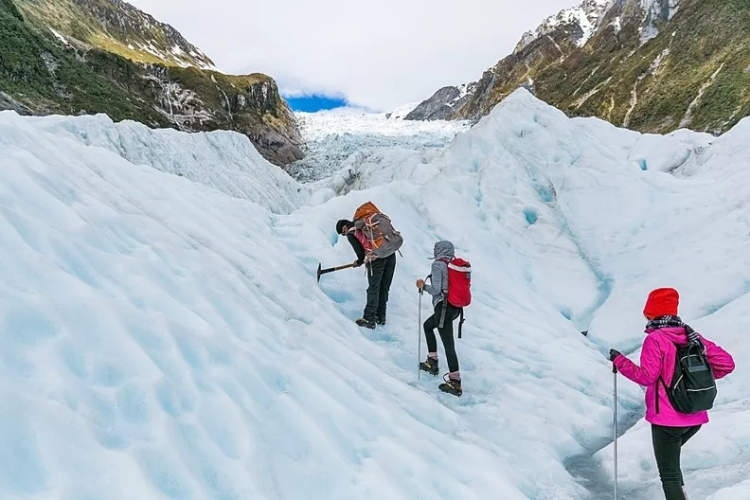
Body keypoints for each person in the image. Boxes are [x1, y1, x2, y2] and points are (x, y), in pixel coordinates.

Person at [609, 288, 735, 500]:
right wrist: (694, 381)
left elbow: (646, 377)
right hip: (694, 417)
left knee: (669, 475)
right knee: (672, 467)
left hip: (667, 420)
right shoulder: (691, 335)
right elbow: (726, 363)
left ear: (651, 313)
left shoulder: (656, 339)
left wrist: (620, 362)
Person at [416, 240, 463, 396]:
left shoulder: (438, 265)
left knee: (449, 346)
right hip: (455, 308)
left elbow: (436, 290)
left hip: (443, 308)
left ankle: (455, 383)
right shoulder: (453, 264)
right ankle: (432, 361)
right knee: (428, 326)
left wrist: (423, 286)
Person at [335, 213, 398, 329]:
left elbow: (360, 253)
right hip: (390, 254)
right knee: (384, 287)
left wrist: (358, 262)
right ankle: (381, 317)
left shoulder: (352, 232)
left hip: (376, 259)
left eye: (343, 233)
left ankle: (369, 318)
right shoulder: (364, 223)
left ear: (344, 228)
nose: (345, 235)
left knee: (374, 288)